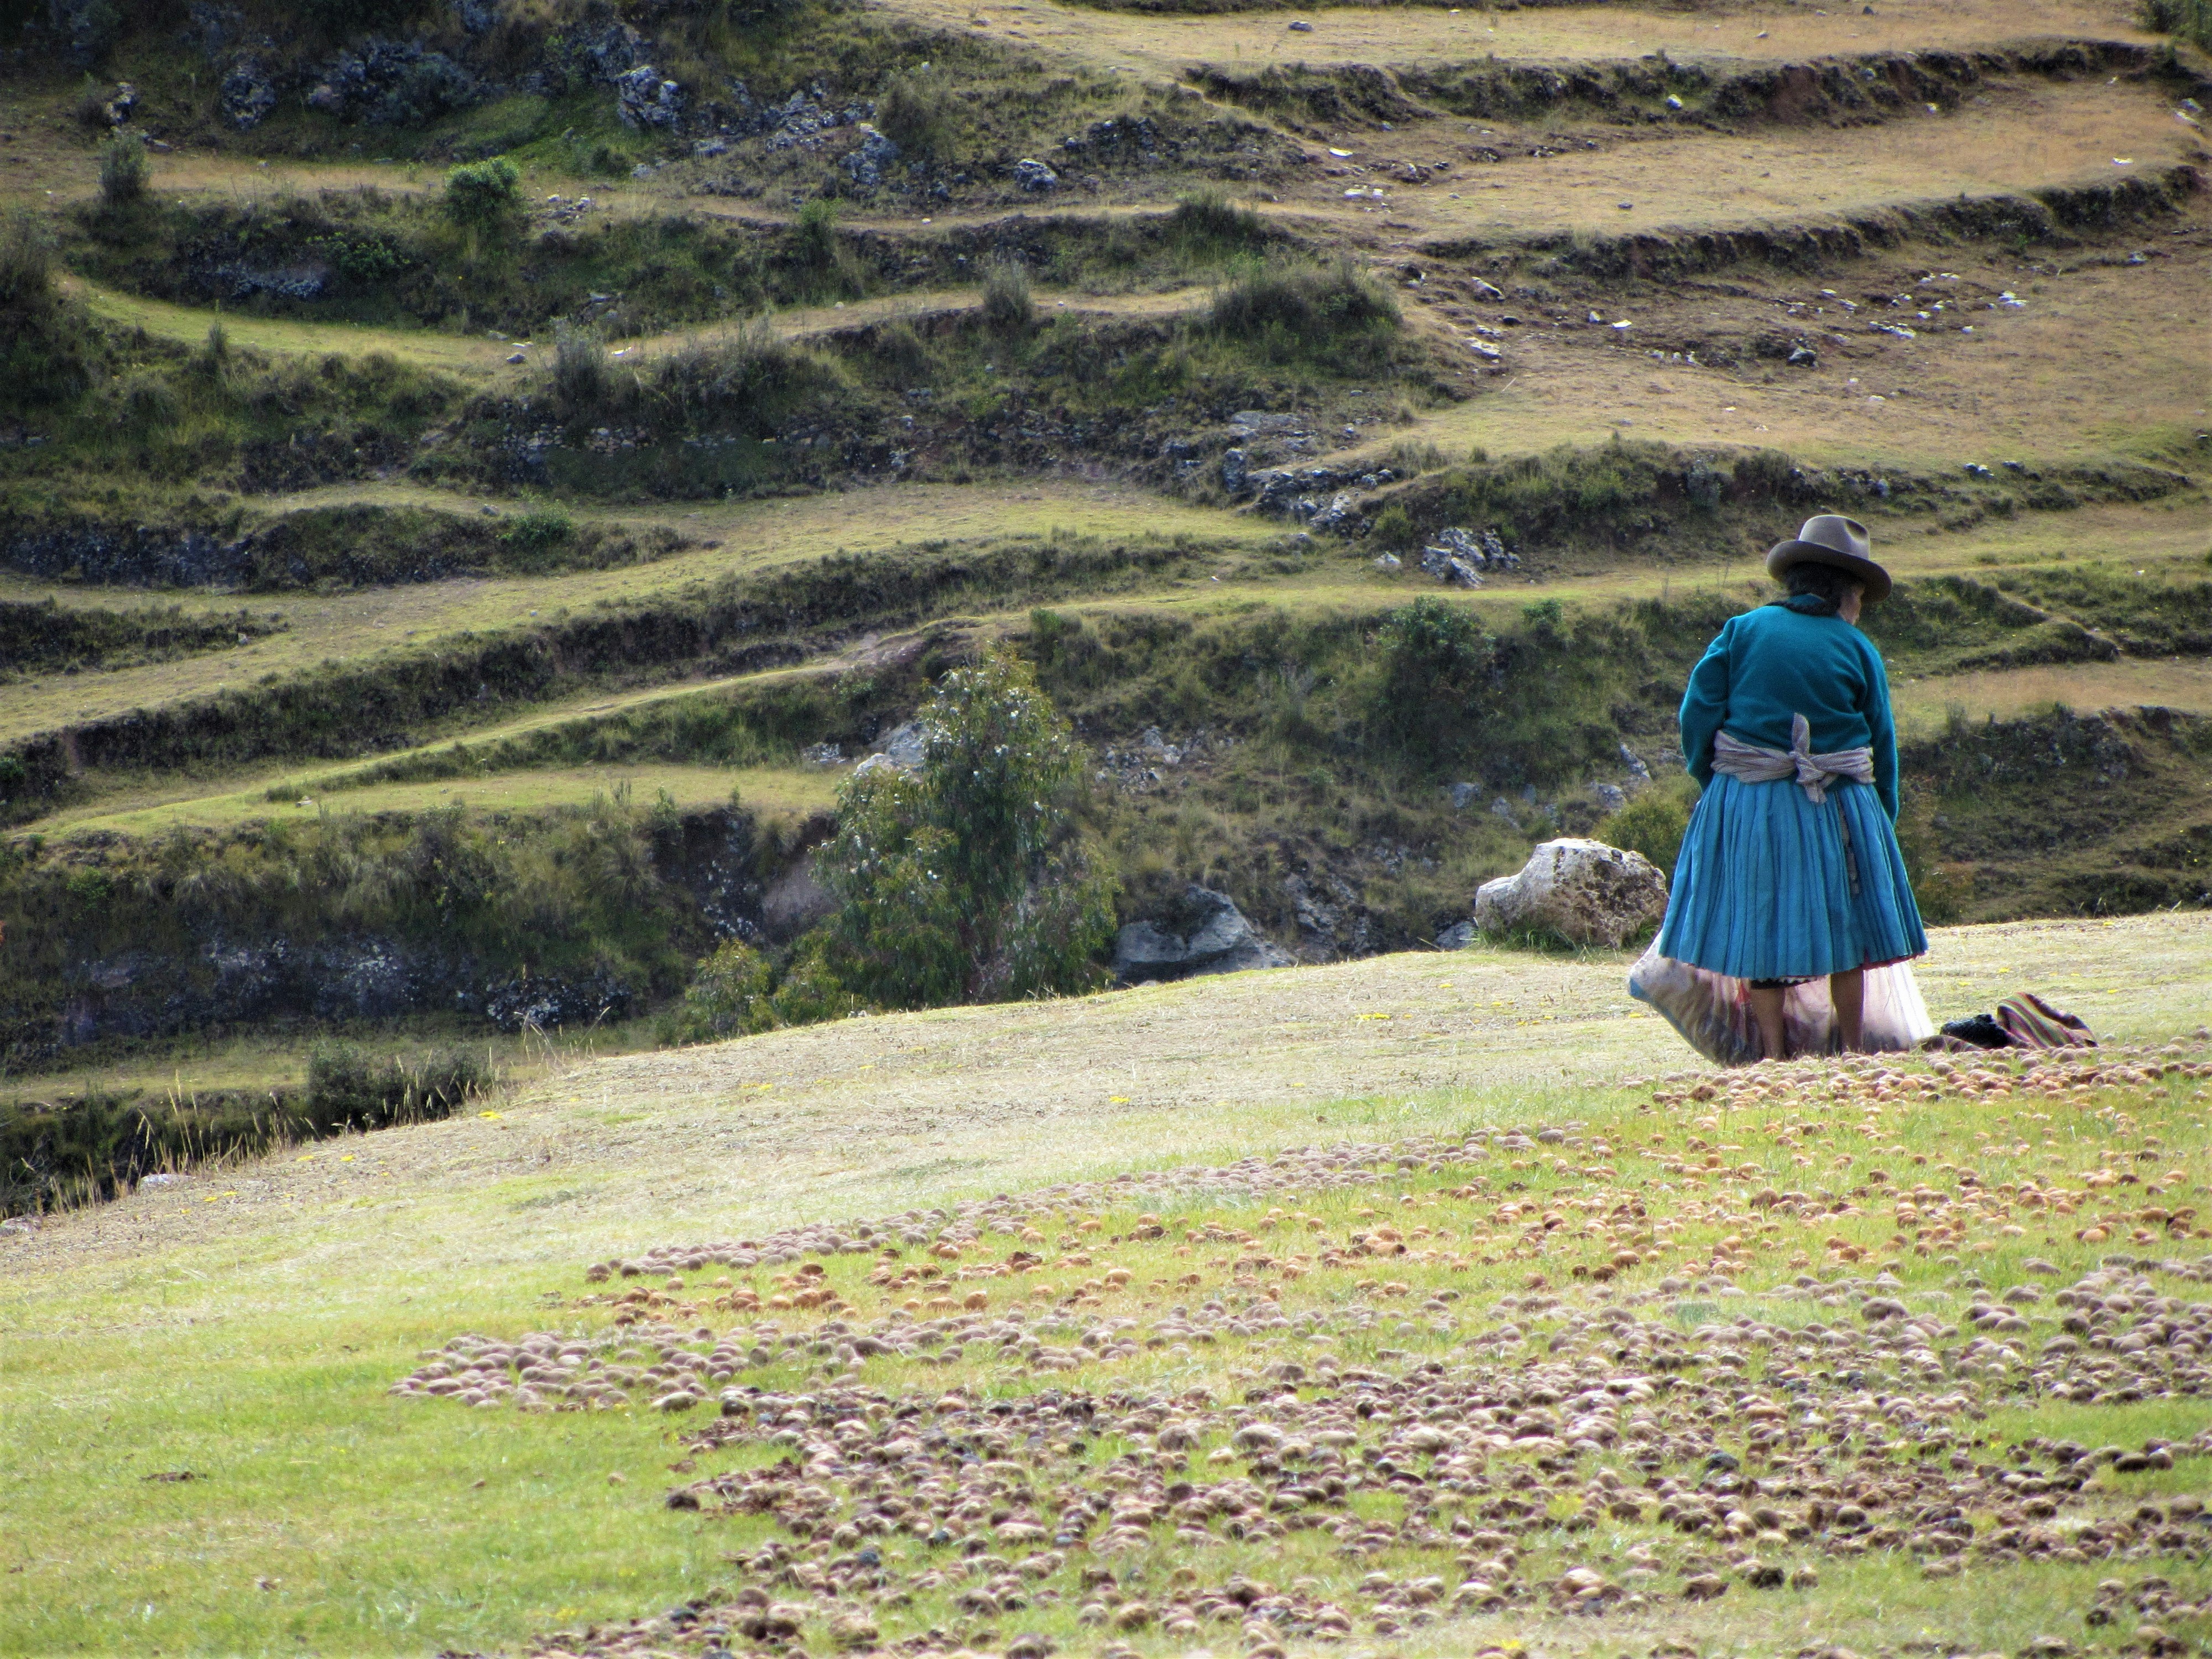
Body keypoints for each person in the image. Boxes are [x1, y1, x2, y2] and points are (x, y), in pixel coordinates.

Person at [1656, 514, 1927, 1060]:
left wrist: (1718, 780)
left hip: (1751, 804)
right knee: (1847, 933)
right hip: (1840, 807)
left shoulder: (1742, 630)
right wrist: (1882, 820)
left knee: (1761, 926)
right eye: (1858, 596)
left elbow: (1696, 715)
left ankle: (1774, 1056)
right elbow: (1882, 744)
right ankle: (1852, 1049)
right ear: (1846, 592)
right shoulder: (1856, 649)